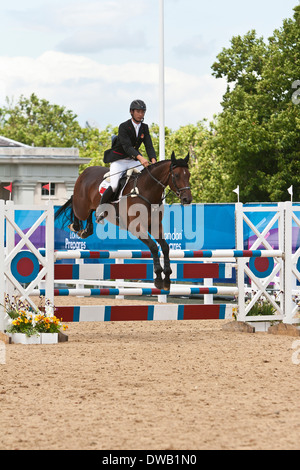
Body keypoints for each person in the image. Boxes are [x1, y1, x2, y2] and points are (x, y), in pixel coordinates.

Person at [96, 100, 157, 223]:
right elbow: (127, 147)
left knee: (149, 178)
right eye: (138, 111)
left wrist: (153, 161)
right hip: (119, 160)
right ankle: (100, 210)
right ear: (131, 112)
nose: (141, 114)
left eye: (143, 112)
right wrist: (141, 158)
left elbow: (149, 145)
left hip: (133, 160)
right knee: (114, 186)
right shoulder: (124, 126)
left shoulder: (144, 127)